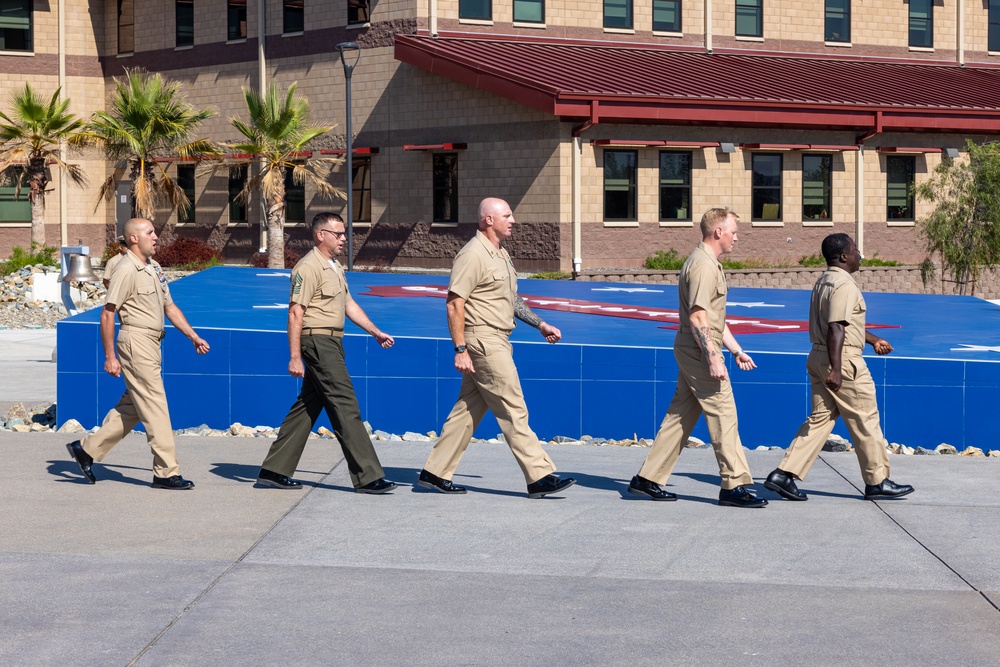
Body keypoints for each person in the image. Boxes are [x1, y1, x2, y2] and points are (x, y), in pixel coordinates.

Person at [417, 197, 576, 499]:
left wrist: (540, 324)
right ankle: (539, 476)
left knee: (467, 410)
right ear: (488, 220)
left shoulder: (500, 253)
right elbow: (454, 304)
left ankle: (434, 472)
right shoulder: (472, 254)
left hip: (498, 338)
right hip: (483, 341)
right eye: (507, 215)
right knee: (513, 407)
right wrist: (460, 349)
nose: (513, 220)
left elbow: (510, 298)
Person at [628, 207, 766, 507]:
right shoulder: (703, 265)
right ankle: (733, 485)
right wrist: (713, 358)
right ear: (718, 232)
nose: (736, 238)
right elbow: (698, 316)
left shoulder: (707, 262)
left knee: (681, 415)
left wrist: (736, 350)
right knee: (724, 414)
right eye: (733, 232)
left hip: (695, 348)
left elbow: (714, 318)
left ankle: (647, 478)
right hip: (699, 350)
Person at [764, 234, 914, 501]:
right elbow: (836, 328)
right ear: (844, 256)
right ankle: (877, 481)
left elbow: (843, 323)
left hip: (818, 356)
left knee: (820, 420)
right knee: (865, 419)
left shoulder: (824, 281)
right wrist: (837, 369)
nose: (859, 255)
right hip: (842, 361)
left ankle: (784, 475)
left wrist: (873, 340)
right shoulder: (844, 284)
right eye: (855, 250)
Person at [256, 212, 398, 494]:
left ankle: (274, 470)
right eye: (338, 234)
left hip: (333, 342)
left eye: (344, 233)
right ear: (321, 235)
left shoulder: (334, 266)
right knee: (345, 404)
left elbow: (348, 304)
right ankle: (368, 476)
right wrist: (294, 356)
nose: (344, 238)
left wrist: (375, 331)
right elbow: (295, 313)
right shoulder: (308, 267)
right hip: (318, 341)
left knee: (308, 405)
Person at [65, 218, 210, 489]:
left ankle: (86, 449)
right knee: (156, 407)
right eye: (150, 233)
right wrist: (110, 356)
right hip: (136, 342)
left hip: (153, 343)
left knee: (132, 407)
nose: (156, 237)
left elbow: (169, 307)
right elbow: (107, 313)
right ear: (134, 238)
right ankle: (166, 472)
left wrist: (193, 336)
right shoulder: (125, 269)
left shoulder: (153, 267)